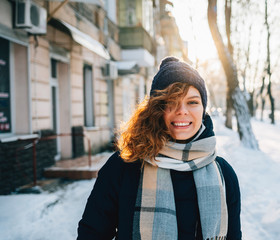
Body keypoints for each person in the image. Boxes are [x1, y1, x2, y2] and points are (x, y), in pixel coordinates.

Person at [77, 57, 242, 240]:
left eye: (192, 102)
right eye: (171, 101)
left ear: (203, 109)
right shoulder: (123, 167)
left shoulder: (223, 174)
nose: (182, 110)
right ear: (156, 109)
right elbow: (91, 234)